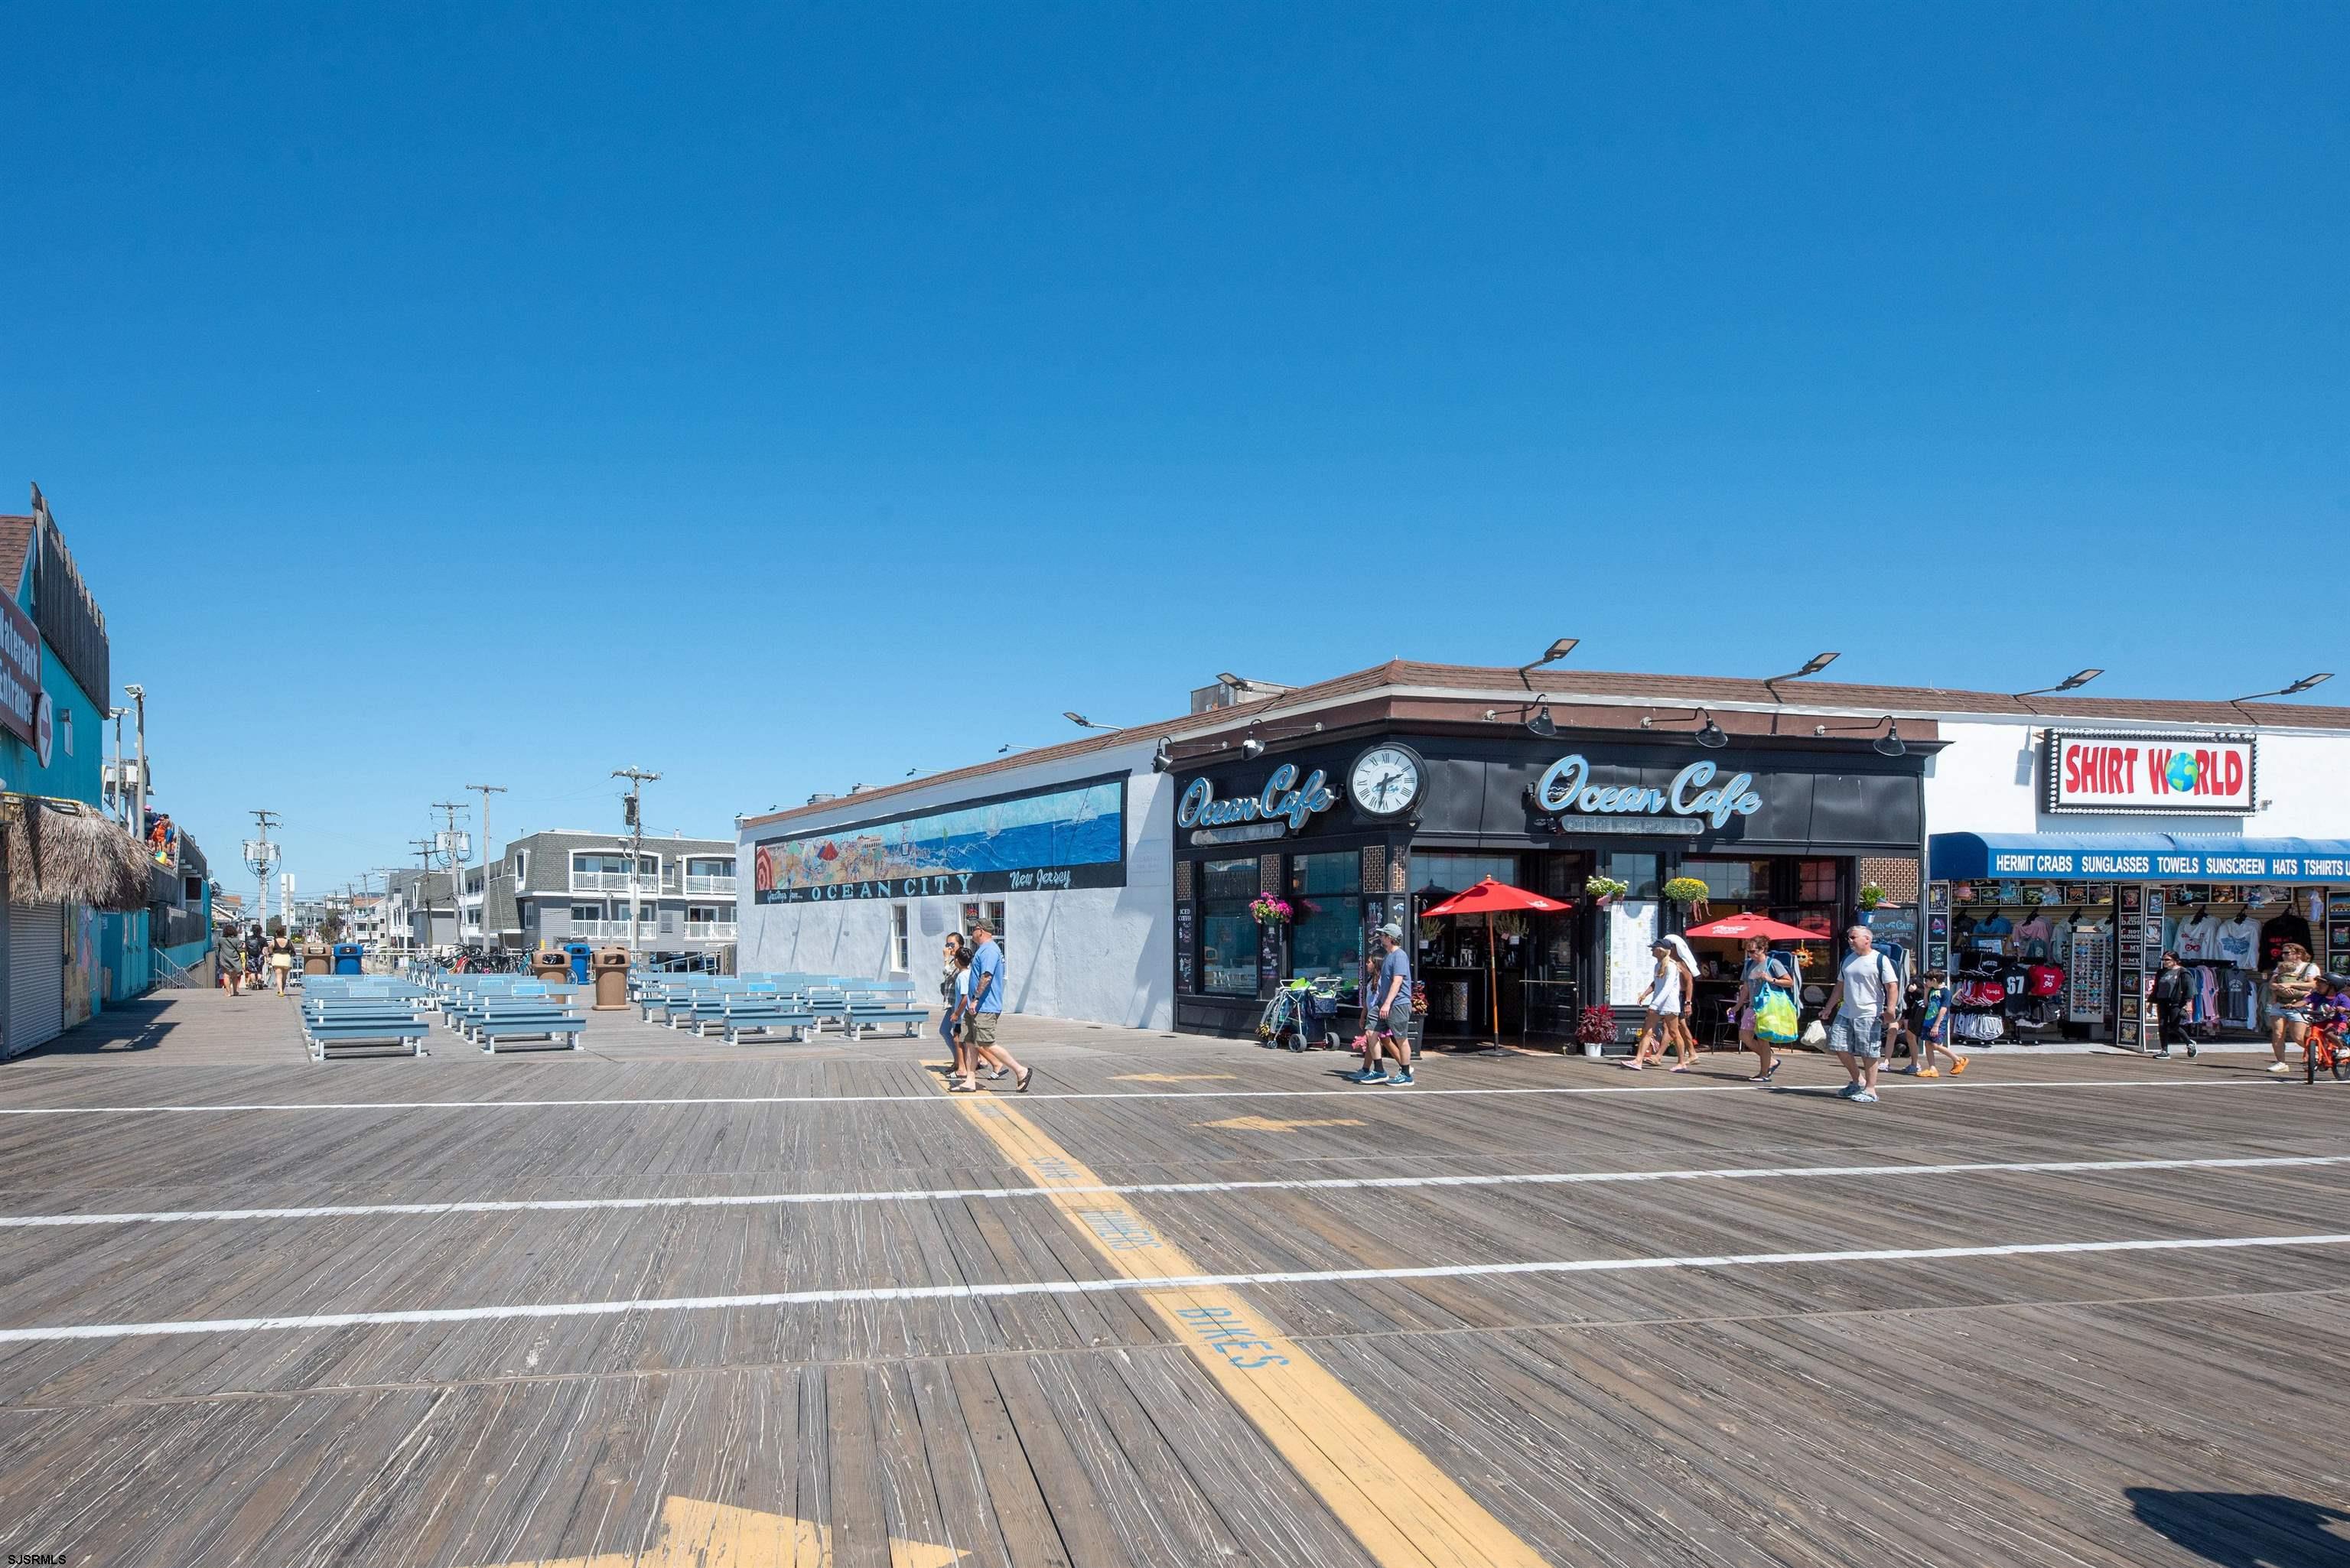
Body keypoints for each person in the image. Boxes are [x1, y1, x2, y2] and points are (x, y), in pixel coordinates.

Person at [1821, 925, 1899, 1103]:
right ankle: (1858, 1080)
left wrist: (1891, 1009)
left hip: (1869, 1012)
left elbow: (1892, 986)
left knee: (1869, 1051)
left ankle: (1870, 1090)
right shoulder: (1848, 960)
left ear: (1867, 939)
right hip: (1847, 1011)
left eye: (1853, 937)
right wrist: (1829, 1007)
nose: (1850, 941)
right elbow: (1840, 986)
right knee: (1838, 1045)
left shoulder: (1880, 960)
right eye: (1849, 937)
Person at [961, 922, 1031, 1092]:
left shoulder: (990, 950)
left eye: (974, 929)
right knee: (970, 1042)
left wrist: (976, 999)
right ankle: (970, 1080)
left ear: (982, 931)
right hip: (976, 1007)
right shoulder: (984, 949)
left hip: (985, 1006)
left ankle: (1021, 1071)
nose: (972, 932)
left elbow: (987, 976)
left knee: (986, 1044)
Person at [1352, 924, 1416, 1086]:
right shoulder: (1388, 956)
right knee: (1370, 1032)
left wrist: (1387, 1004)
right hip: (1383, 1004)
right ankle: (1379, 1070)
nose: (1381, 937)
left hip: (1398, 1003)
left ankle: (1407, 1074)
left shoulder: (1399, 956)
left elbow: (1398, 981)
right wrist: (1379, 1003)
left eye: (1383, 935)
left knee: (1401, 1038)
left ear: (1390, 938)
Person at [1625, 939, 1694, 1071]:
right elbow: (1657, 983)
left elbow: (1667, 988)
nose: (1651, 950)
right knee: (1647, 1030)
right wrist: (1645, 994)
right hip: (1657, 1004)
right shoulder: (1658, 966)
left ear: (1661, 951)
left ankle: (1681, 1063)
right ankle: (1638, 1061)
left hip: (1669, 1004)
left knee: (1674, 1032)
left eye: (1654, 948)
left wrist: (1654, 1005)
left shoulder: (1672, 966)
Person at [1735, 935, 1795, 1082]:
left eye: (1753, 951)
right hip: (1753, 1006)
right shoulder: (1749, 964)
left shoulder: (1773, 963)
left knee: (1763, 1039)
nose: (1750, 954)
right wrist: (1737, 1006)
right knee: (1744, 1036)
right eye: (1748, 951)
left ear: (1762, 949)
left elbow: (1790, 982)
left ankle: (1764, 1073)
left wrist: (1771, 979)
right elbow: (1746, 988)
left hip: (1768, 1007)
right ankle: (1771, 1061)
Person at [2264, 941, 2322, 1075]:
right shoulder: (2281, 967)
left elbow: (2314, 985)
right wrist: (2279, 987)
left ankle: (2314, 1053)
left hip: (2299, 1004)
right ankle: (2281, 1062)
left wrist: (2290, 984)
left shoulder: (2309, 967)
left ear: (2298, 954)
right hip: (2280, 1003)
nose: (2283, 956)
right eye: (2282, 953)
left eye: (2286, 953)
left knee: (2298, 1036)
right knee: (2277, 1034)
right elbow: (2272, 983)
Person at [1896, 974, 1968, 1077]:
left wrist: (1936, 1025)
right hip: (1929, 1021)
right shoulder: (1932, 991)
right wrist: (1925, 991)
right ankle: (1932, 1068)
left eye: (1927, 980)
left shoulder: (1945, 992)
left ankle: (1958, 1060)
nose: (1925, 983)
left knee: (1935, 1045)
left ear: (1934, 980)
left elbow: (1943, 1010)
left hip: (1938, 1023)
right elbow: (1926, 1004)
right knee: (1928, 1044)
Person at [2150, 951, 2198, 1060]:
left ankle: (2189, 1043)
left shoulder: (2183, 973)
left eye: (2167, 960)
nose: (2164, 962)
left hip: (2176, 1002)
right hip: (2162, 1001)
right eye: (2163, 960)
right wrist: (2151, 1003)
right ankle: (2164, 1050)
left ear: (2175, 960)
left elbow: (2189, 989)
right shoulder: (2161, 972)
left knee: (2174, 1026)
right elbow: (2156, 988)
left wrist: (2188, 1004)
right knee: (2162, 1025)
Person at [936, 932, 968, 1079]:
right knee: (946, 1032)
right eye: (947, 945)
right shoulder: (953, 961)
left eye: (952, 945)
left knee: (957, 1036)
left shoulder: (961, 961)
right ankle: (959, 1061)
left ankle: (961, 1063)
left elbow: (950, 975)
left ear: (960, 945)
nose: (949, 948)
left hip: (958, 1005)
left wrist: (945, 959)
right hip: (951, 1003)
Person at [267, 929, 296, 995]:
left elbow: (270, 949)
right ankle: (282, 989)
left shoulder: (274, 941)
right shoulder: (288, 941)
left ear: (277, 934)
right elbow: (293, 949)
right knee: (284, 977)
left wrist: (271, 953)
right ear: (284, 933)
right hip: (286, 958)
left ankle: (280, 991)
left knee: (278, 976)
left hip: (277, 957)